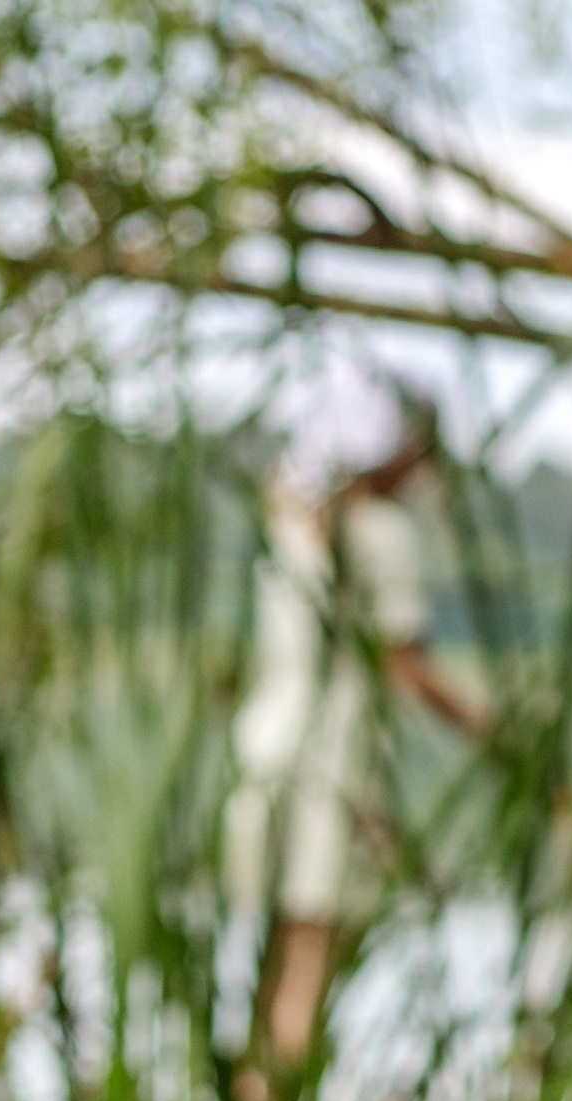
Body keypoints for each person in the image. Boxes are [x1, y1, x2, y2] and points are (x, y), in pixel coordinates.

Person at [225, 361, 487, 1064]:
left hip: (264, 753)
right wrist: (497, 733)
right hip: (332, 770)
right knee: (310, 964)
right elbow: (408, 670)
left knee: (276, 959)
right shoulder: (380, 535)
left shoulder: (287, 524)